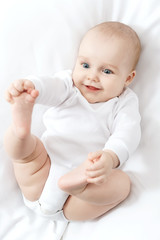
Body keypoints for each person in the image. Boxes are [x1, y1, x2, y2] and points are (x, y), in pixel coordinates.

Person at [4, 21, 141, 222]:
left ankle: (79, 186)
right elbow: (51, 86)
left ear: (128, 78)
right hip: (43, 169)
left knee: (122, 184)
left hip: (74, 201)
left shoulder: (123, 103)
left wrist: (110, 157)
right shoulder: (69, 86)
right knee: (28, 153)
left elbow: (127, 132)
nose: (92, 76)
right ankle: (20, 131)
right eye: (85, 65)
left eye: (107, 71)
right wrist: (32, 86)